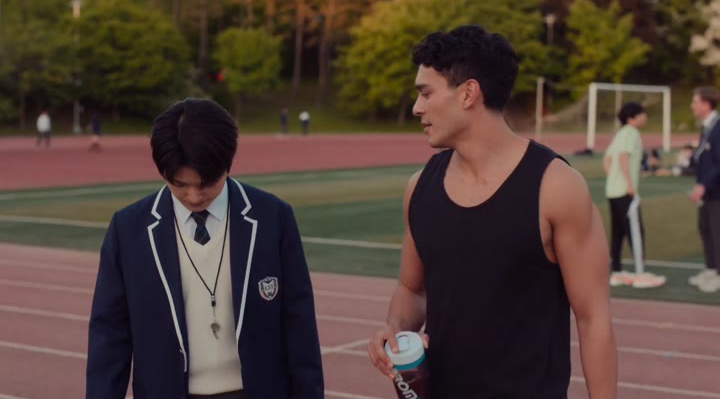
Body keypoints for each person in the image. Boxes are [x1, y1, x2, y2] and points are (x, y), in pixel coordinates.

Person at [367, 25, 617, 397]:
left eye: (426, 93)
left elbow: (593, 317)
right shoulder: (419, 188)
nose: (417, 107)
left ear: (468, 93)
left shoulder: (556, 187)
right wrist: (395, 327)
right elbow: (412, 290)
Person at [86, 98, 324, 399]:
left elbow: (299, 325)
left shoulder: (273, 217)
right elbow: (110, 335)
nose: (194, 196)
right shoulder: (129, 229)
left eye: (207, 183)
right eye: (179, 184)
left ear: (228, 164)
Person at [603, 102, 666, 288]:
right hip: (625, 192)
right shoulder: (632, 133)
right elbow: (622, 157)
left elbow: (607, 159)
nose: (645, 116)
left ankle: (617, 272)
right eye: (642, 113)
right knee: (635, 232)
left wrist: (613, 178)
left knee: (618, 232)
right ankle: (640, 274)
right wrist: (628, 185)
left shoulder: (620, 134)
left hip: (613, 191)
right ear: (632, 117)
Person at [689, 86, 720, 293]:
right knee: (705, 228)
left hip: (717, 190)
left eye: (696, 102)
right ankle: (711, 268)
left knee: (717, 231)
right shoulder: (706, 126)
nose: (692, 106)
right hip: (707, 190)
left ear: (707, 104)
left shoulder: (718, 127)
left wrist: (704, 184)